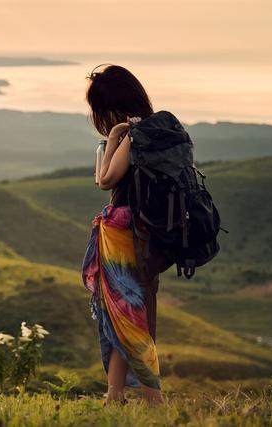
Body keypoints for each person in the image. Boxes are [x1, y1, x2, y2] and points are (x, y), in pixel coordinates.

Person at [81, 64, 166, 406]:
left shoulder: (132, 135)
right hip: (152, 234)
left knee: (127, 319)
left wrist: (115, 137)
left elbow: (105, 180)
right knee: (128, 313)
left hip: (123, 234)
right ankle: (114, 396)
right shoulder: (160, 130)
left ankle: (154, 402)